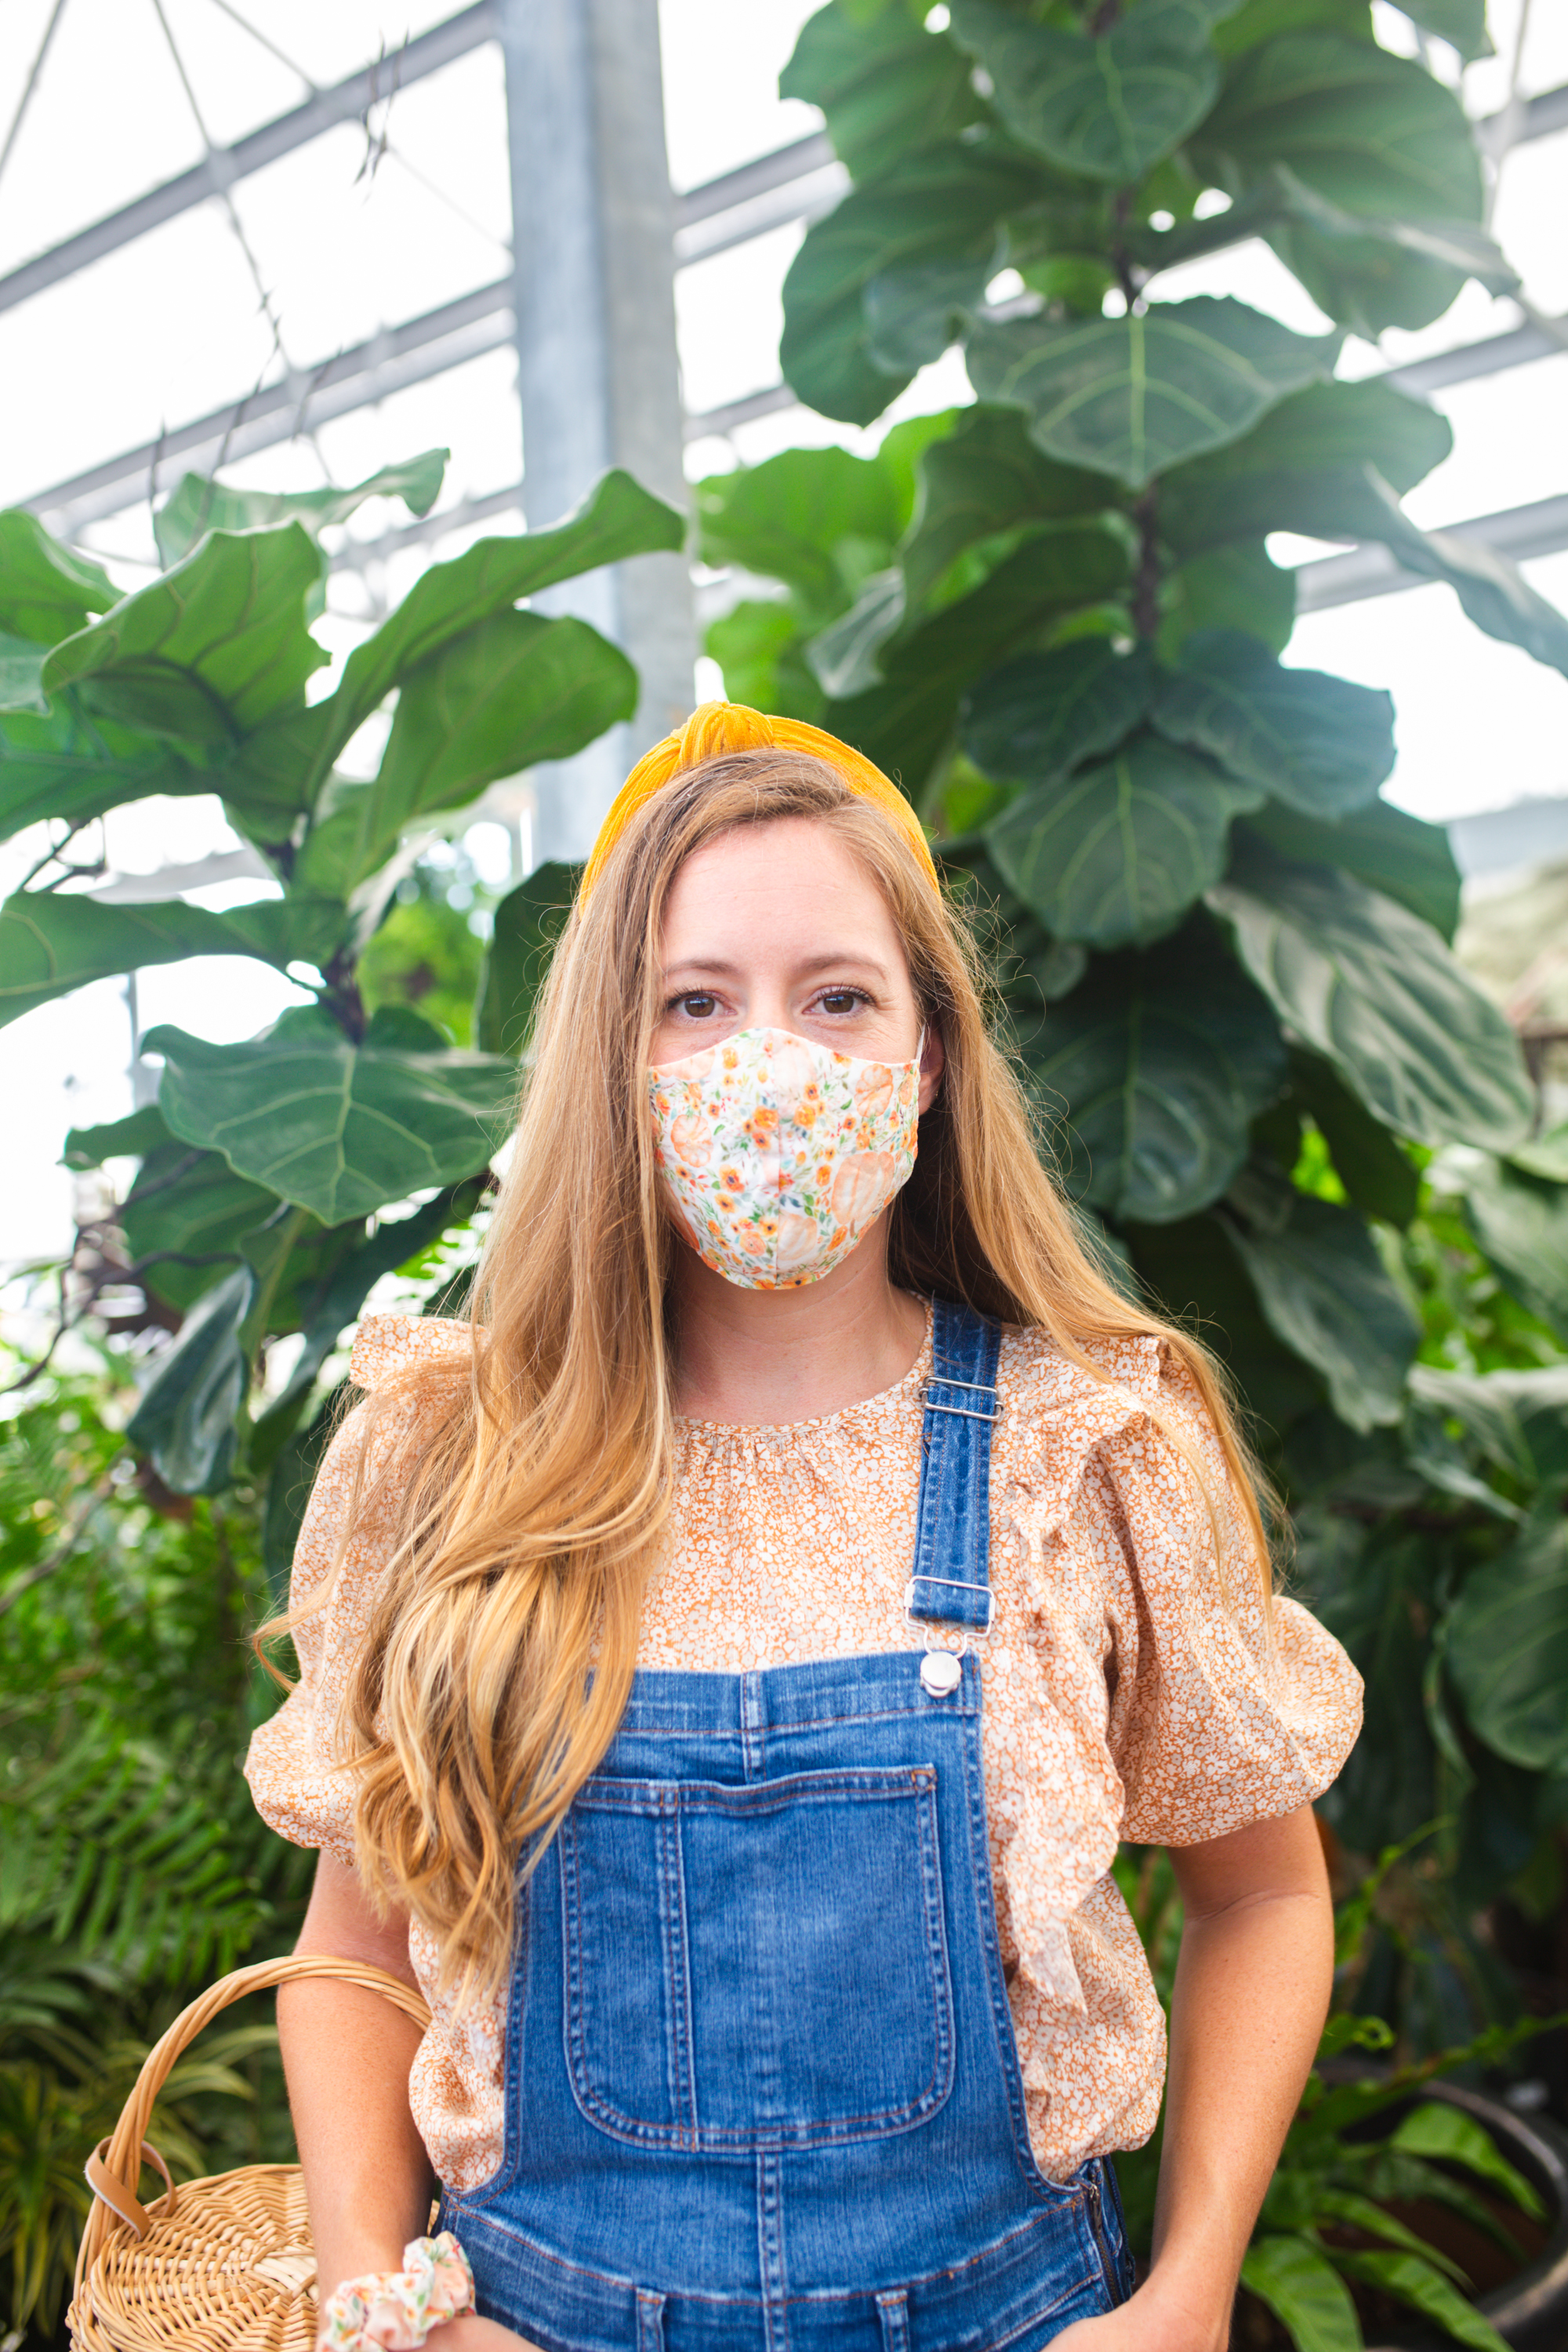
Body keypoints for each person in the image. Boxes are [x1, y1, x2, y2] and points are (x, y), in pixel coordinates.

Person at [248, 701, 1362, 2352]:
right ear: (618, 1065)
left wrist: (1188, 2293)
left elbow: (1263, 1893)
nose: (768, 1063)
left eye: (835, 998)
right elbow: (357, 1943)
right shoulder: (449, 1460)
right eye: (696, 1003)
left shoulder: (1085, 1448)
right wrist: (377, 2305)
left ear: (923, 1057)